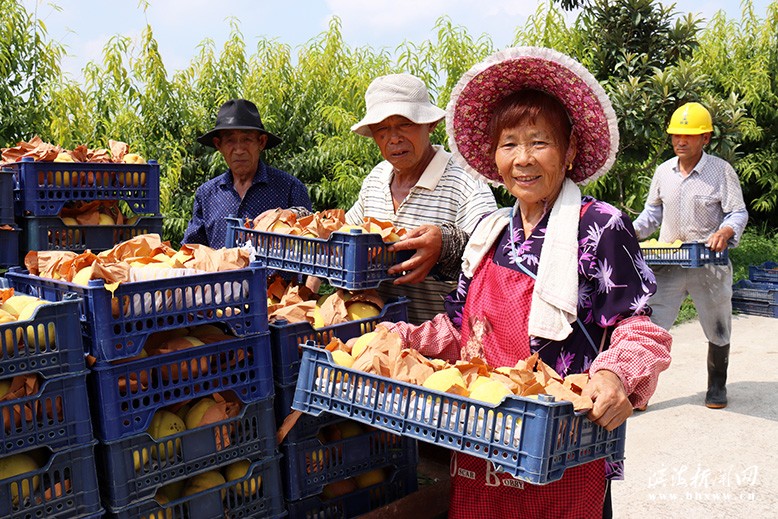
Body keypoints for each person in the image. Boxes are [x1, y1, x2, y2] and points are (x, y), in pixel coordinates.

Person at [382, 47, 673, 518]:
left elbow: (637, 325)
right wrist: (402, 339)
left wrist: (615, 373)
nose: (522, 159)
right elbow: (461, 329)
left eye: (539, 142)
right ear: (493, 155)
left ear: (570, 150)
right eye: (509, 144)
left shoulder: (599, 225)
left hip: (561, 445)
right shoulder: (490, 232)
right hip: (481, 439)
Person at [347, 73, 497, 323]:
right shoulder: (376, 178)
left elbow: (493, 256)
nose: (394, 138)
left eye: (405, 124)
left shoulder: (466, 182)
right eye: (382, 129)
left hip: (444, 348)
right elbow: (347, 230)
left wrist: (447, 246)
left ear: (431, 125)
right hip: (378, 340)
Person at [633, 102, 748, 409]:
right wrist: (629, 231)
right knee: (652, 327)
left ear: (705, 138)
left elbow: (736, 212)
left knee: (718, 325)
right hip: (667, 264)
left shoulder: (721, 172)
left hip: (708, 264)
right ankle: (640, 391)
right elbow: (652, 214)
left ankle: (716, 387)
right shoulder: (663, 172)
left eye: (688, 135)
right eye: (675, 135)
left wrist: (725, 232)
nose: (680, 141)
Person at [183, 98, 312, 248]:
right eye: (230, 141)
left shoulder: (289, 187)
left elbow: (313, 231)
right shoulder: (206, 194)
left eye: (247, 140)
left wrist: (289, 214)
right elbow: (191, 249)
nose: (239, 150)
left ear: (261, 142)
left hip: (273, 273)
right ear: (219, 145)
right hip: (222, 271)